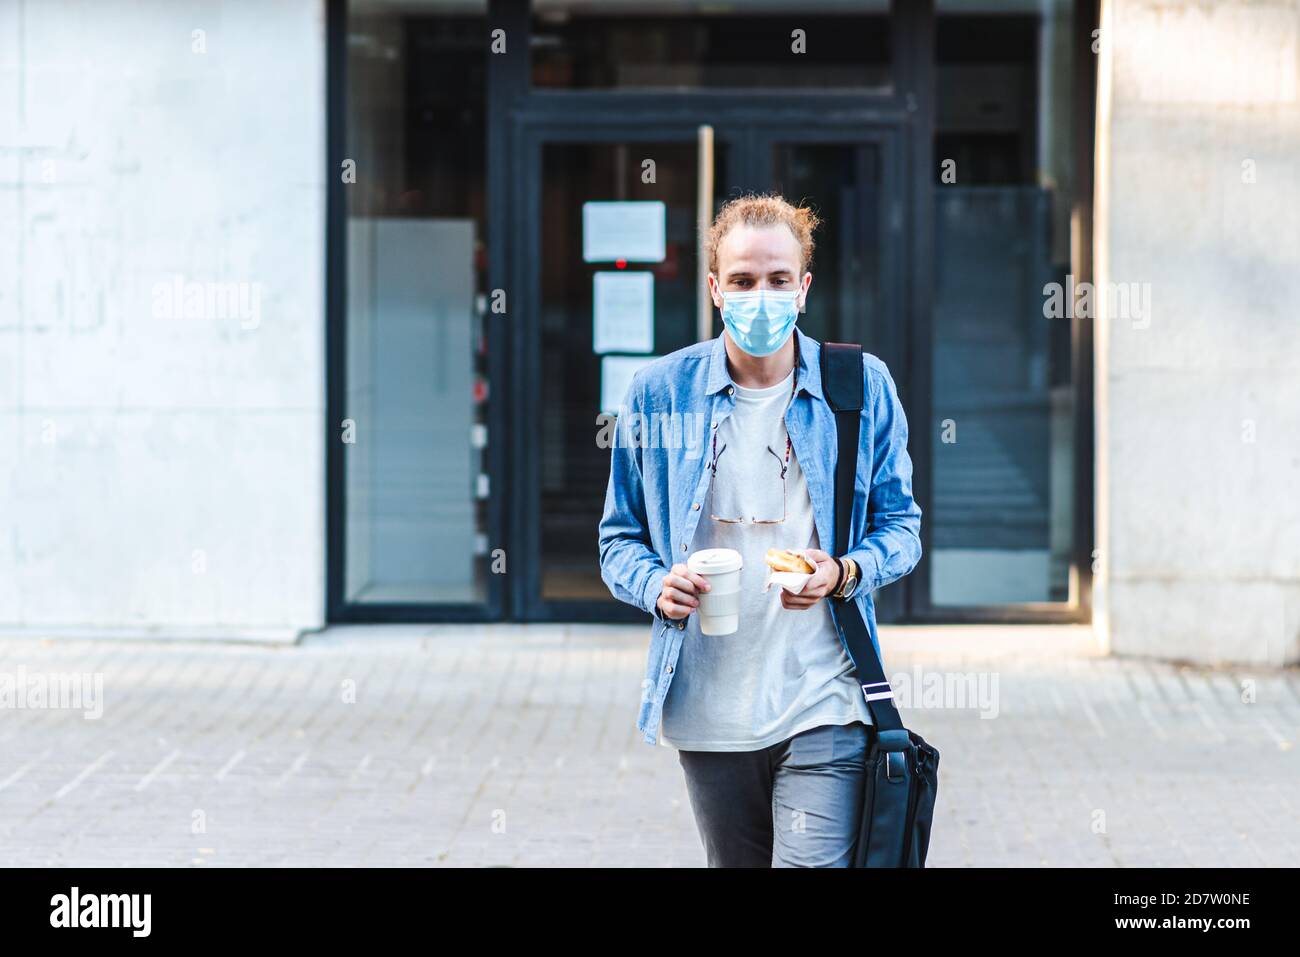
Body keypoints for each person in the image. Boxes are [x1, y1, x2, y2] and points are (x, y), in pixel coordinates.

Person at [597, 192, 922, 867]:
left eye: (778, 279)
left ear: (803, 289)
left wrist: (843, 571)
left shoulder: (859, 386)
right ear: (716, 289)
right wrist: (658, 585)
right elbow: (617, 538)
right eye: (743, 280)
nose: (761, 295)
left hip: (823, 697)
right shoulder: (658, 392)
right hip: (710, 711)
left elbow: (902, 527)